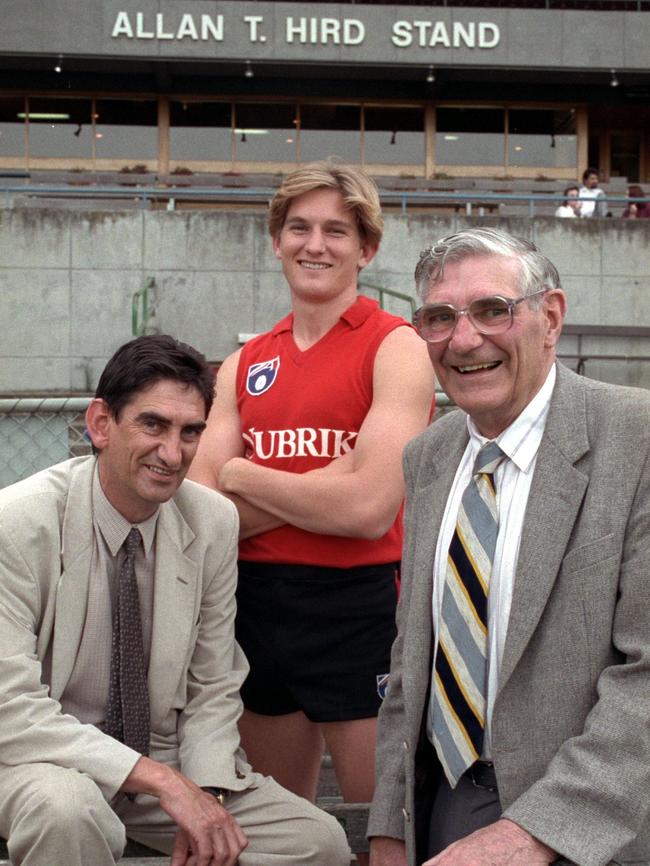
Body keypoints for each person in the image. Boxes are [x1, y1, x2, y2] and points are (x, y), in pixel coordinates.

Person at [0, 334, 350, 866]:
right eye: (153, 425)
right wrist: (164, 781)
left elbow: (212, 683)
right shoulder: (17, 523)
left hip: (159, 763)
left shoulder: (211, 521)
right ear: (100, 424)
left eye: (191, 432)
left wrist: (204, 793)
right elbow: (13, 711)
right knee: (68, 812)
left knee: (316, 841)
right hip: (43, 759)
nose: (172, 453)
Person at [368, 228, 650, 866]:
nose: (465, 340)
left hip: (590, 829)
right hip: (444, 808)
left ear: (550, 317)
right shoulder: (428, 458)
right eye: (440, 318)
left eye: (494, 310)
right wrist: (390, 824)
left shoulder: (637, 439)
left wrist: (533, 834)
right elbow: (411, 661)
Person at [188, 160, 434, 864]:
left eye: (336, 230)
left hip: (358, 605)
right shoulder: (243, 364)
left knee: (382, 833)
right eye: (299, 227)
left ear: (367, 248)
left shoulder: (398, 346)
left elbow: (366, 509)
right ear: (276, 240)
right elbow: (209, 512)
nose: (315, 244)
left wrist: (244, 473)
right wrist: (321, 481)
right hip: (256, 605)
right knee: (284, 836)